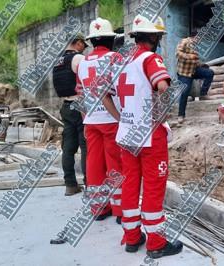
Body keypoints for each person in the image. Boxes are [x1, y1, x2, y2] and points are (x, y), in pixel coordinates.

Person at [103, 14, 183, 258]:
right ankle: (156, 243)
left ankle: (131, 237)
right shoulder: (150, 58)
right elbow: (163, 88)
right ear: (151, 37)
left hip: (126, 135)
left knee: (130, 184)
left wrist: (122, 118)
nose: (159, 40)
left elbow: (105, 96)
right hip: (149, 136)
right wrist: (158, 116)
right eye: (158, 36)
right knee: (153, 186)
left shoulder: (121, 62)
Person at [77, 17, 122, 224]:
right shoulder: (115, 58)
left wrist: (85, 117)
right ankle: (120, 207)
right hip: (111, 119)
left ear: (93, 41)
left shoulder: (82, 62)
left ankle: (98, 206)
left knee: (93, 162)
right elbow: (122, 88)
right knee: (115, 162)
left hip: (91, 120)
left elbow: (79, 92)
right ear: (109, 39)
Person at [52, 33, 88, 196]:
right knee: (86, 146)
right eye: (84, 46)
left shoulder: (58, 61)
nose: (84, 49)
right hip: (80, 105)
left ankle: (70, 185)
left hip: (66, 106)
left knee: (68, 148)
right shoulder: (78, 59)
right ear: (78, 43)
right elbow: (86, 82)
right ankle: (90, 183)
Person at [176, 33, 214, 123]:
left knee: (209, 73)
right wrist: (190, 57)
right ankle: (181, 115)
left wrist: (201, 65)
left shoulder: (195, 46)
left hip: (193, 70)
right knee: (185, 91)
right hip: (184, 73)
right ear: (195, 37)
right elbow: (178, 54)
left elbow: (195, 61)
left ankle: (203, 94)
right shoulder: (185, 41)